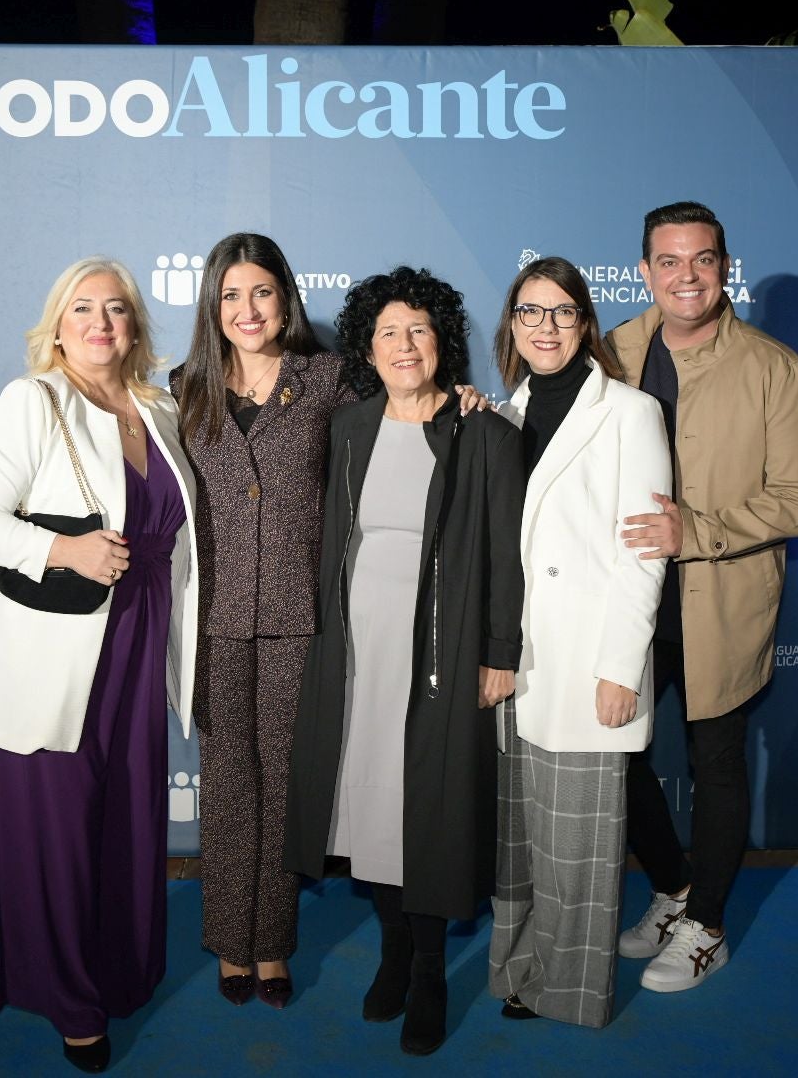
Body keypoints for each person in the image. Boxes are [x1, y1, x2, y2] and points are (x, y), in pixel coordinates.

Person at [0, 257, 199, 1074]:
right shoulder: (33, 402)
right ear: (56, 327)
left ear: (135, 327)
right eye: (82, 309)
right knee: (54, 830)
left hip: (138, 639)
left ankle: (119, 969)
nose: (100, 323)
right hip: (47, 653)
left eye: (116, 309)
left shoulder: (158, 409)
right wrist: (62, 547)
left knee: (126, 819)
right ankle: (68, 999)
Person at [282, 267, 525, 1056]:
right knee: (368, 808)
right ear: (367, 346)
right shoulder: (348, 427)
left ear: (442, 342)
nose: (404, 344)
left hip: (439, 655)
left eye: (418, 330)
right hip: (354, 653)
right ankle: (392, 946)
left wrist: (498, 651)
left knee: (428, 809)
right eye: (388, 332)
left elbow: (504, 556)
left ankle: (429, 969)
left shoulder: (482, 432)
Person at [606, 201, 798, 993]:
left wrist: (694, 531)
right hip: (625, 598)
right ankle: (673, 887)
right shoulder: (613, 349)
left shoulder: (774, 366)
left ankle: (709, 926)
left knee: (717, 762)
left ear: (724, 266)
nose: (686, 276)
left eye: (702, 259)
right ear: (645, 271)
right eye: (669, 261)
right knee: (614, 752)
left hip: (721, 600)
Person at [486, 256, 673, 1028]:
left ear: (585, 323)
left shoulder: (630, 412)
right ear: (513, 326)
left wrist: (620, 668)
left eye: (563, 312)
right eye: (531, 312)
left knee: (579, 853)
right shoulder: (500, 414)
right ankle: (516, 971)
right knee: (524, 846)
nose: (547, 327)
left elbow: (645, 550)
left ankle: (567, 989)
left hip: (589, 662)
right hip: (519, 663)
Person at [170, 232, 354, 1010]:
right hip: (211, 618)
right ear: (213, 307)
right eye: (230, 296)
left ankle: (272, 945)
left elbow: (406, 427)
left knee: (281, 784)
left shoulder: (332, 379)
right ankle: (229, 942)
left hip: (297, 615)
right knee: (228, 785)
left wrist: (472, 404)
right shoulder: (182, 389)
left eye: (262, 292)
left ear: (286, 297)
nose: (247, 310)